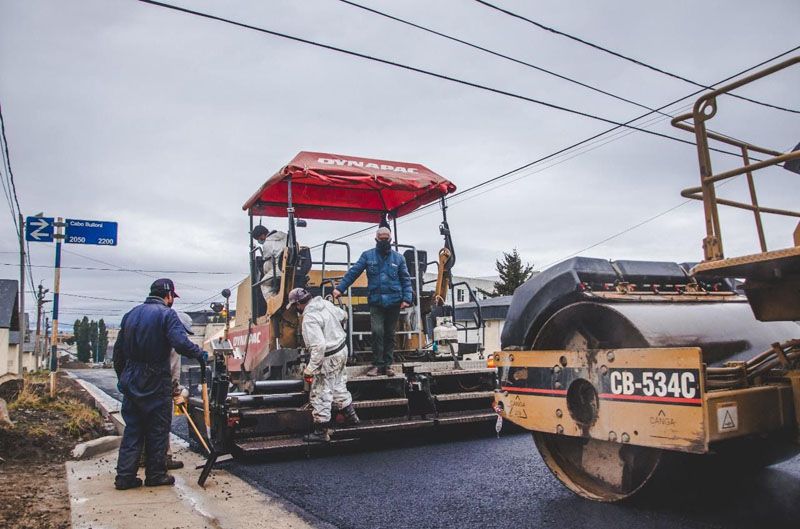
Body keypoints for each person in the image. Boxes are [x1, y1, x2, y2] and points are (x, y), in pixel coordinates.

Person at [113, 278, 206, 490]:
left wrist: (123, 378)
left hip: (132, 378)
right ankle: (156, 474)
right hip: (155, 379)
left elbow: (118, 353)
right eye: (172, 296)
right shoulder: (167, 314)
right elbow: (180, 343)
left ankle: (125, 477)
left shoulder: (130, 315)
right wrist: (200, 354)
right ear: (169, 296)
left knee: (133, 430)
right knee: (157, 429)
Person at [333, 227, 412, 377]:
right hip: (376, 302)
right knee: (377, 332)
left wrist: (407, 298)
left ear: (391, 239)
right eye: (381, 238)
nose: (384, 241)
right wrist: (340, 288)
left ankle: (388, 365)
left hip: (394, 302)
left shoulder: (399, 258)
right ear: (376, 239)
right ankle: (377, 365)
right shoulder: (367, 256)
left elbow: (406, 280)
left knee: (390, 333)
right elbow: (353, 272)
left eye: (386, 238)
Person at [287, 287, 360, 442]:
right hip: (341, 350)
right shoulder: (326, 304)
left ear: (299, 304)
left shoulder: (309, 317)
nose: (296, 309)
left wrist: (310, 369)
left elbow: (318, 346)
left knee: (321, 391)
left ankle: (320, 431)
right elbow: (344, 315)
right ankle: (351, 416)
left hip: (328, 357)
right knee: (339, 384)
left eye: (295, 306)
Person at [252, 224, 288, 299]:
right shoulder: (285, 235)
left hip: (280, 269)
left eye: (258, 238)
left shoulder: (267, 243)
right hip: (293, 265)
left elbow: (266, 258)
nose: (259, 241)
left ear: (262, 235)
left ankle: (271, 303)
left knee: (264, 283)